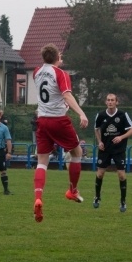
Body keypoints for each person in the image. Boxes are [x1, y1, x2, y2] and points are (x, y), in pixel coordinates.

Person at [31, 44, 89, 222]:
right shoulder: (61, 73)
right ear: (57, 56)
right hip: (58, 119)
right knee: (77, 152)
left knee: (42, 161)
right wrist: (81, 113)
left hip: (41, 120)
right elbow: (66, 95)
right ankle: (72, 190)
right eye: (60, 54)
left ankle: (38, 198)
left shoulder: (36, 72)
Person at [93, 93, 132, 211]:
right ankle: (97, 197)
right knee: (100, 173)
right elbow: (96, 129)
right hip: (104, 149)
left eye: (112, 100)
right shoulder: (100, 115)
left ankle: (123, 201)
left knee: (121, 175)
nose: (110, 102)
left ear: (117, 102)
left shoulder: (122, 114)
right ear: (106, 102)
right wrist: (100, 141)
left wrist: (121, 137)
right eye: (108, 100)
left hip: (118, 150)